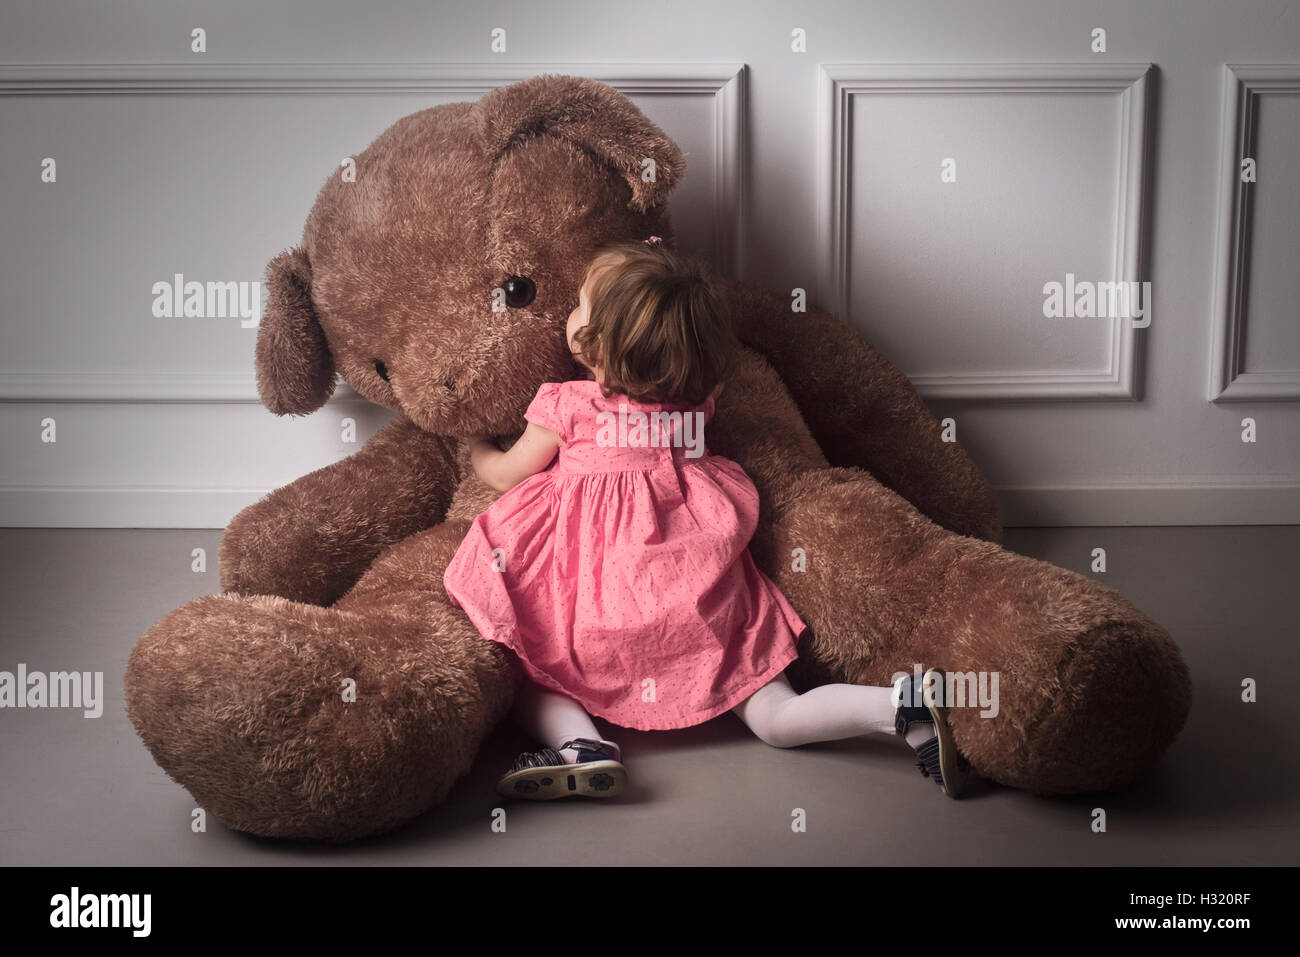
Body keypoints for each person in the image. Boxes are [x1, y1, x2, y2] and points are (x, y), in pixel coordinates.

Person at [442, 236, 971, 801]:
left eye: (580, 306)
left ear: (594, 346)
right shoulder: (694, 407)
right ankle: (899, 705)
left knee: (531, 658)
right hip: (694, 597)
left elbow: (505, 475)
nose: (570, 314)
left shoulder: (568, 405)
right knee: (775, 716)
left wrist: (471, 444)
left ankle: (580, 744)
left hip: (596, 597)